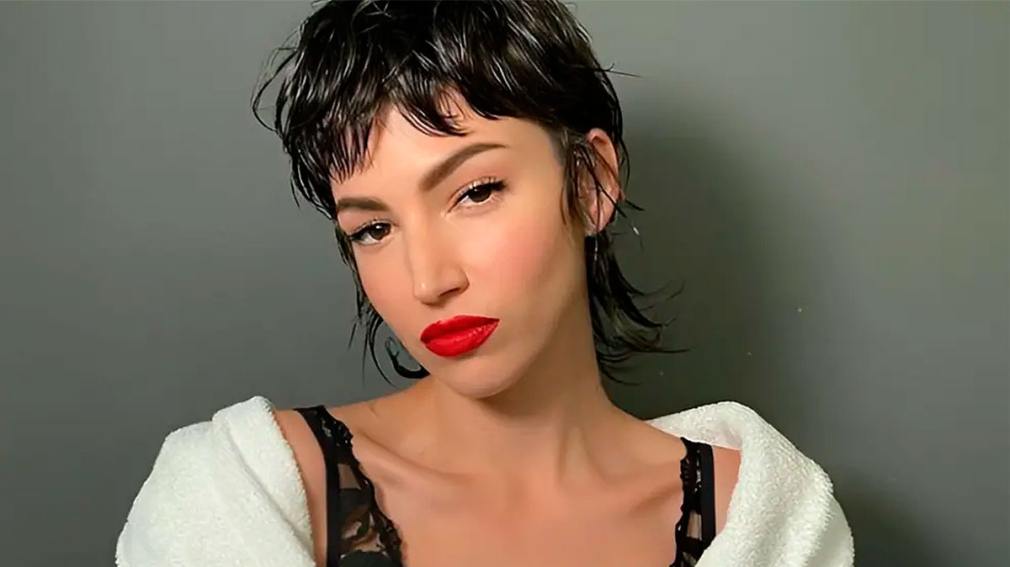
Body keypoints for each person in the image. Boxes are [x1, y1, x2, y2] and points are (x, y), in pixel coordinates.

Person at [115, 2, 854, 566]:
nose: (429, 279)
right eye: (373, 229)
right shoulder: (233, 492)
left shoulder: (768, 523)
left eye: (474, 192)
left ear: (591, 182)